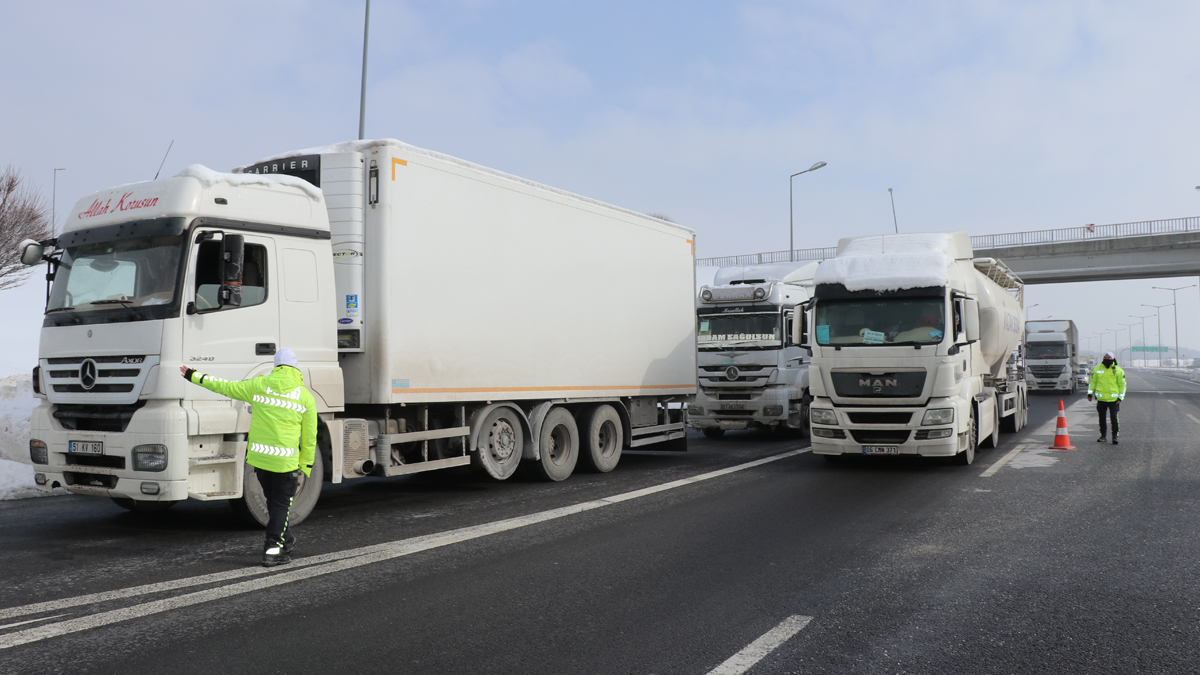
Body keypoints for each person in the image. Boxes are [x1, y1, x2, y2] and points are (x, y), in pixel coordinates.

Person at [180, 348, 317, 567]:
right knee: (281, 506)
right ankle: (273, 551)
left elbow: (225, 386)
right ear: (295, 368)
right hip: (285, 464)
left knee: (275, 504)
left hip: (260, 462)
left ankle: (286, 540)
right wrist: (306, 466)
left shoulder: (259, 386)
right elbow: (310, 438)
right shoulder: (305, 397)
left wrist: (194, 376)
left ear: (276, 366)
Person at [1087, 351, 1126, 445]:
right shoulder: (1097, 369)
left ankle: (1115, 436)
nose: (1107, 359)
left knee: (1114, 418)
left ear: (1113, 359)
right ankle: (1103, 436)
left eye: (1109, 357)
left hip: (1114, 400)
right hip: (1101, 399)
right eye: (1105, 357)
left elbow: (1122, 385)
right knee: (1102, 418)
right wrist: (1090, 393)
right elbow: (1093, 382)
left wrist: (1120, 397)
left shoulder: (1118, 370)